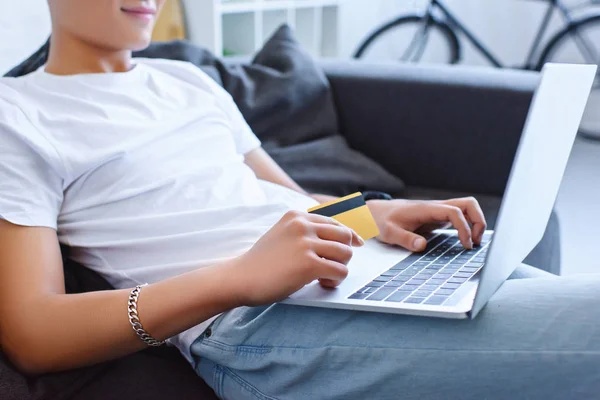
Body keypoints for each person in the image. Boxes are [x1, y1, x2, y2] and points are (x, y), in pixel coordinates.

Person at [0, 1, 598, 399]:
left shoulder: (187, 82)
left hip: (357, 268)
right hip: (256, 325)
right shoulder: (18, 115)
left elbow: (285, 200)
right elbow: (33, 334)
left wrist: (372, 214)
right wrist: (238, 279)